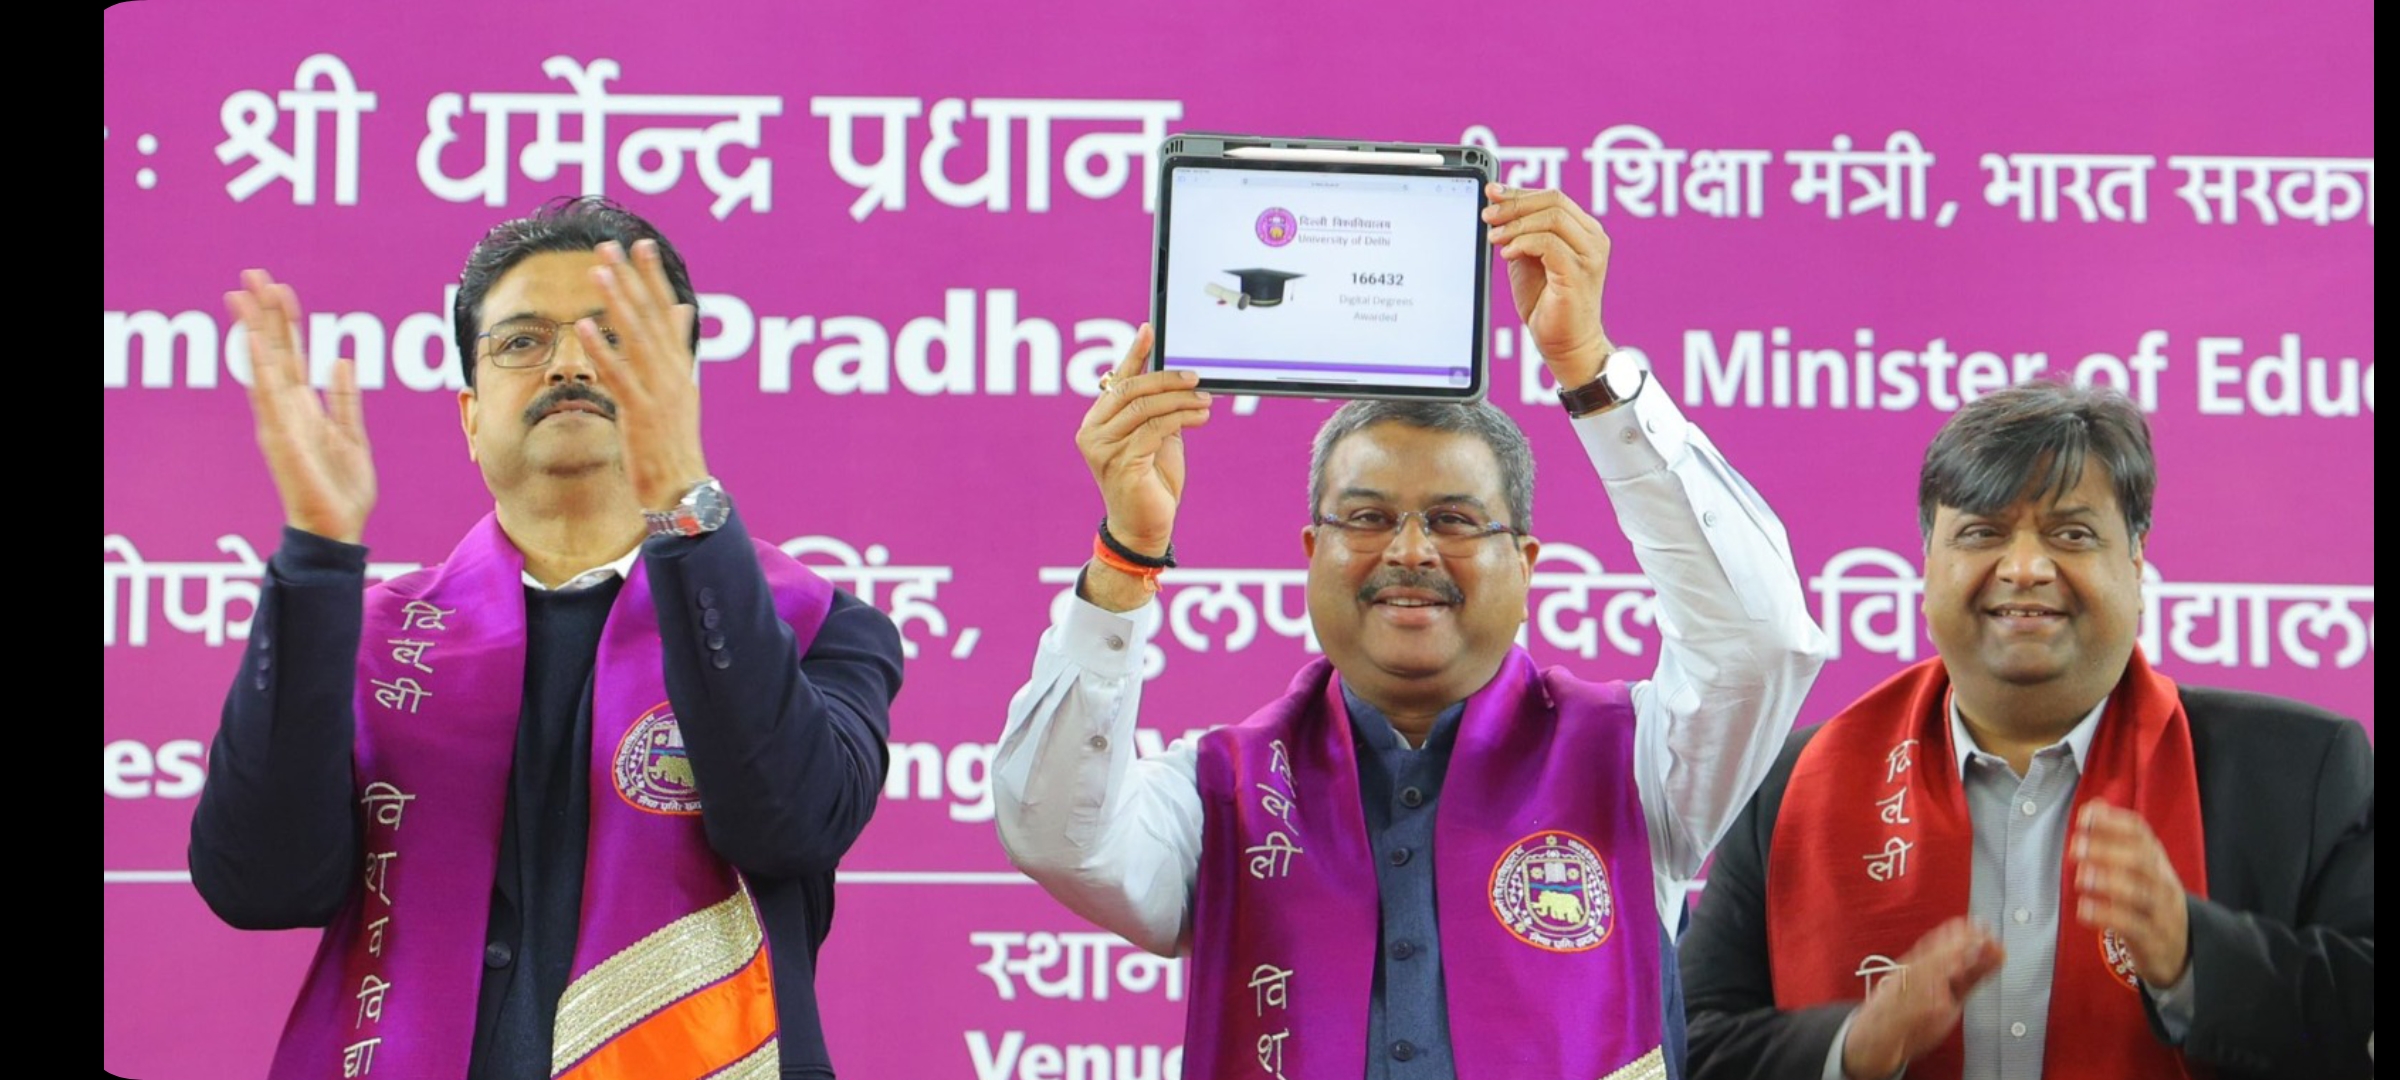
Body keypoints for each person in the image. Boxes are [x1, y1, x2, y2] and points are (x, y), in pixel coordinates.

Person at [994, 183, 1830, 1079]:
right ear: (1312, 552)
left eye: (1455, 520)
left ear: (1527, 563)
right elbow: (1056, 835)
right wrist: (1126, 557)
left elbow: (1760, 645)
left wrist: (1590, 370)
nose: (1409, 551)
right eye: (1366, 518)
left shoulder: (1638, 762)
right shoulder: (1220, 793)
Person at [189, 196, 903, 1080]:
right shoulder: (370, 643)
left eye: (612, 338)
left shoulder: (815, 625)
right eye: (523, 341)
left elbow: (788, 826)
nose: (569, 362)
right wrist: (317, 556)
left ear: (678, 392)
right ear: (469, 416)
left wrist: (684, 503)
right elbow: (258, 884)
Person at [1677, 381, 2375, 1080]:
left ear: (2136, 564)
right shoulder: (1793, 785)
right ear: (1926, 567)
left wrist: (2195, 959)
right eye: (1982, 533)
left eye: (2072, 534)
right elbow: (1690, 1048)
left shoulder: (2301, 772)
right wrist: (1854, 1045)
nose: (2025, 569)